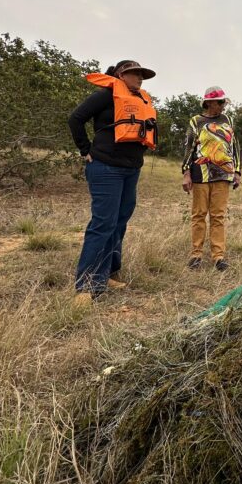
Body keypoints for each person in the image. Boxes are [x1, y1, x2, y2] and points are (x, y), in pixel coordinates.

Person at [68, 59, 158, 306]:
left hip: (131, 170)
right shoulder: (106, 95)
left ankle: (106, 274)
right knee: (103, 223)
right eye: (134, 74)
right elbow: (75, 119)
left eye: (141, 75)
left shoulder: (140, 100)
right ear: (120, 74)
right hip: (106, 168)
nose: (139, 78)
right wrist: (85, 149)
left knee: (119, 223)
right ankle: (86, 286)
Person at [182, 86, 241, 271]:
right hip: (200, 173)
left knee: (218, 216)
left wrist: (237, 171)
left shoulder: (228, 120)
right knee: (199, 214)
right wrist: (186, 172)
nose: (223, 106)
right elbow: (189, 147)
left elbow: (234, 146)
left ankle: (218, 256)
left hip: (223, 174)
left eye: (224, 102)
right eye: (220, 102)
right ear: (209, 103)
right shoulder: (196, 121)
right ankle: (196, 254)